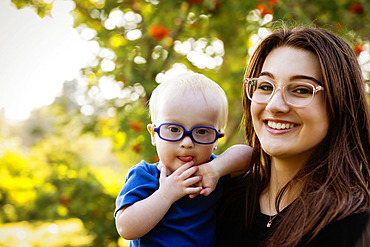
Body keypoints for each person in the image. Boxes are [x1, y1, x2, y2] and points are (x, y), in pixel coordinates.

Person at [216, 26, 370, 247]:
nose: (274, 105)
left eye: (300, 89)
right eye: (265, 86)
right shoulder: (220, 201)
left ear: (340, 103)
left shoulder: (356, 225)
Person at [114, 72, 252, 246]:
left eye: (201, 131)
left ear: (216, 139)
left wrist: (215, 169)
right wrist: (166, 195)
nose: (187, 142)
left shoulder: (210, 173)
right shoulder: (146, 175)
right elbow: (126, 228)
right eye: (173, 130)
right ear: (154, 135)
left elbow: (249, 156)